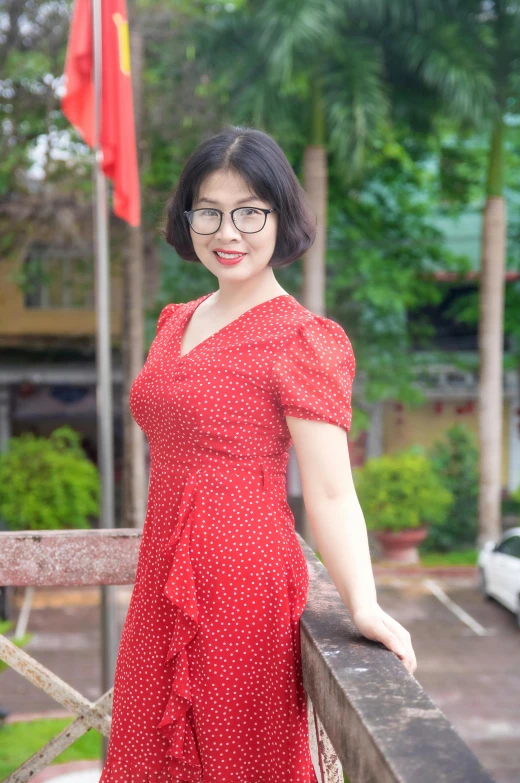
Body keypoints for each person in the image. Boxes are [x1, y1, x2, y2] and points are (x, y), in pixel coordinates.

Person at [100, 125, 417, 783]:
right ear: (187, 218)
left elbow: (330, 491)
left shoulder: (304, 340)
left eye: (250, 211)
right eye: (209, 211)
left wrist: (362, 602)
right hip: (162, 579)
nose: (228, 231)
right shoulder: (174, 320)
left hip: (243, 589)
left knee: (235, 760)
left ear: (281, 217)